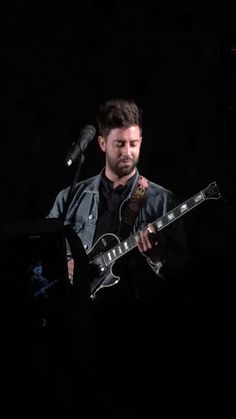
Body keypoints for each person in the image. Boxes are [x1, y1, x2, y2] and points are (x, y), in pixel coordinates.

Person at [48, 98, 190, 417]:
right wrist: (63, 267)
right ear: (101, 143)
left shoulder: (158, 200)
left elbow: (184, 270)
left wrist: (157, 259)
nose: (127, 152)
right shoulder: (71, 198)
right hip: (81, 330)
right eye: (119, 144)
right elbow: (41, 254)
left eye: (134, 144)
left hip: (136, 332)